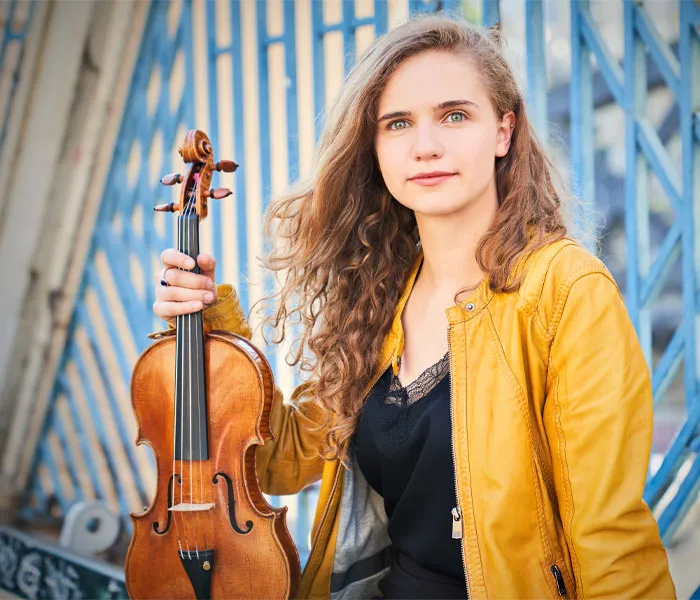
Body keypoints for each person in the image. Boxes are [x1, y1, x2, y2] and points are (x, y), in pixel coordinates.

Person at [152, 13, 675, 600]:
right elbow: (276, 460)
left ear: (503, 132)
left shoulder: (566, 291)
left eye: (455, 115)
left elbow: (610, 541)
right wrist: (209, 325)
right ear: (374, 148)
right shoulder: (377, 296)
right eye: (397, 124)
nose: (426, 146)